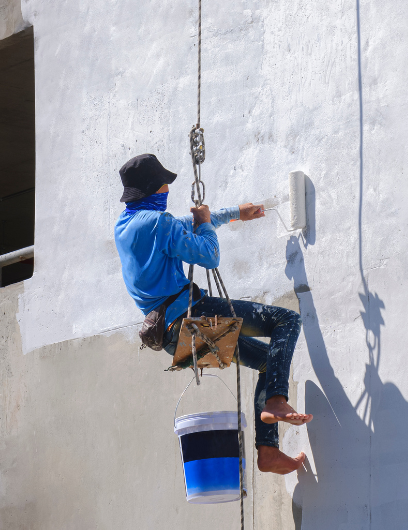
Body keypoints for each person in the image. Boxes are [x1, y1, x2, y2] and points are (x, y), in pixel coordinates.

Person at [113, 153, 313, 475]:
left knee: (268, 361)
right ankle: (276, 399)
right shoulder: (159, 223)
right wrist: (206, 224)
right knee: (286, 320)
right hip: (192, 316)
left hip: (173, 338)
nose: (167, 191)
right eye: (164, 185)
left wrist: (235, 214)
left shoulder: (125, 226)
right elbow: (209, 255)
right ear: (153, 188)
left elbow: (185, 224)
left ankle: (268, 451)